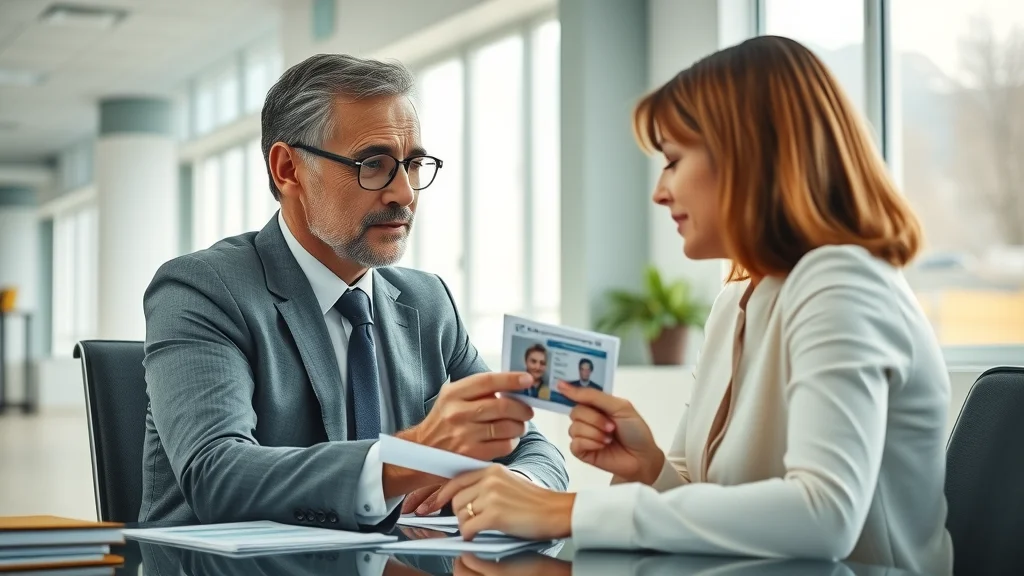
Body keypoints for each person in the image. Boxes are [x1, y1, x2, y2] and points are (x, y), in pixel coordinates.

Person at [434, 36, 953, 576]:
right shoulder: (736, 302)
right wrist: (651, 467)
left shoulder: (840, 280)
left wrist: (566, 510)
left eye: (673, 160)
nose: (660, 192)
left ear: (748, 157)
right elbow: (716, 505)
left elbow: (824, 515)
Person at [139, 54, 567, 531]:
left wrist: (522, 487)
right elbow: (216, 474)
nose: (404, 193)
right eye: (374, 164)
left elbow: (526, 443)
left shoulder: (428, 302)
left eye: (413, 164)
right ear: (288, 169)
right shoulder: (203, 289)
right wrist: (414, 456)